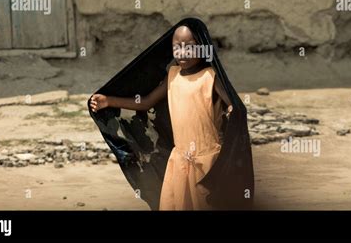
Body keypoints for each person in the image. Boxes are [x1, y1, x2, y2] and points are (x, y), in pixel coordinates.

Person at [88, 18, 254, 210]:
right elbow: (146, 102)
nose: (182, 53)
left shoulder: (210, 77)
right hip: (180, 161)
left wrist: (231, 113)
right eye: (177, 47)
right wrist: (109, 101)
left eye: (190, 47)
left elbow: (235, 107)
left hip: (207, 163)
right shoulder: (173, 75)